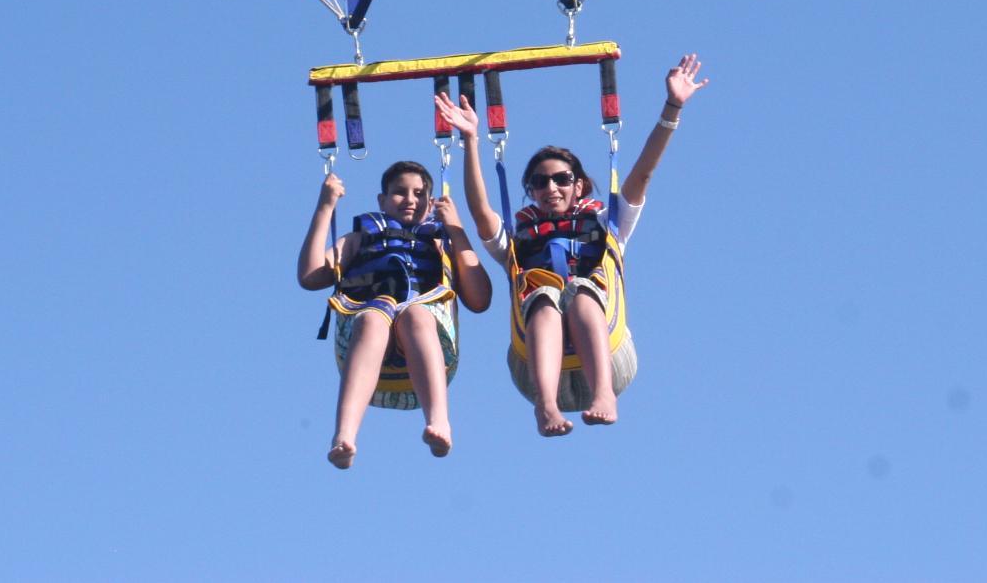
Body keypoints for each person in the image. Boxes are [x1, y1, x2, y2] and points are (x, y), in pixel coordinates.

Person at [441, 52, 707, 436]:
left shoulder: (607, 224)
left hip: (612, 358)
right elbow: (481, 212)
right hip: (531, 367)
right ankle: (545, 406)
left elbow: (642, 174)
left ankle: (604, 395)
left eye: (562, 179)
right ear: (530, 191)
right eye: (539, 182)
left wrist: (672, 107)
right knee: (545, 299)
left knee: (581, 291)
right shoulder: (518, 242)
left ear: (579, 185)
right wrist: (470, 142)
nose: (551, 187)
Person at [296, 159, 493, 468]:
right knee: (374, 316)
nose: (411, 200)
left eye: (419, 193)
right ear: (382, 200)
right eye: (400, 193)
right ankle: (344, 436)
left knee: (414, 314)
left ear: (431, 200)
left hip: (430, 342)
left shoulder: (441, 240)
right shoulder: (360, 238)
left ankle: (440, 422)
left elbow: (480, 299)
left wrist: (456, 230)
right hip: (366, 335)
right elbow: (310, 276)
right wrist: (325, 207)